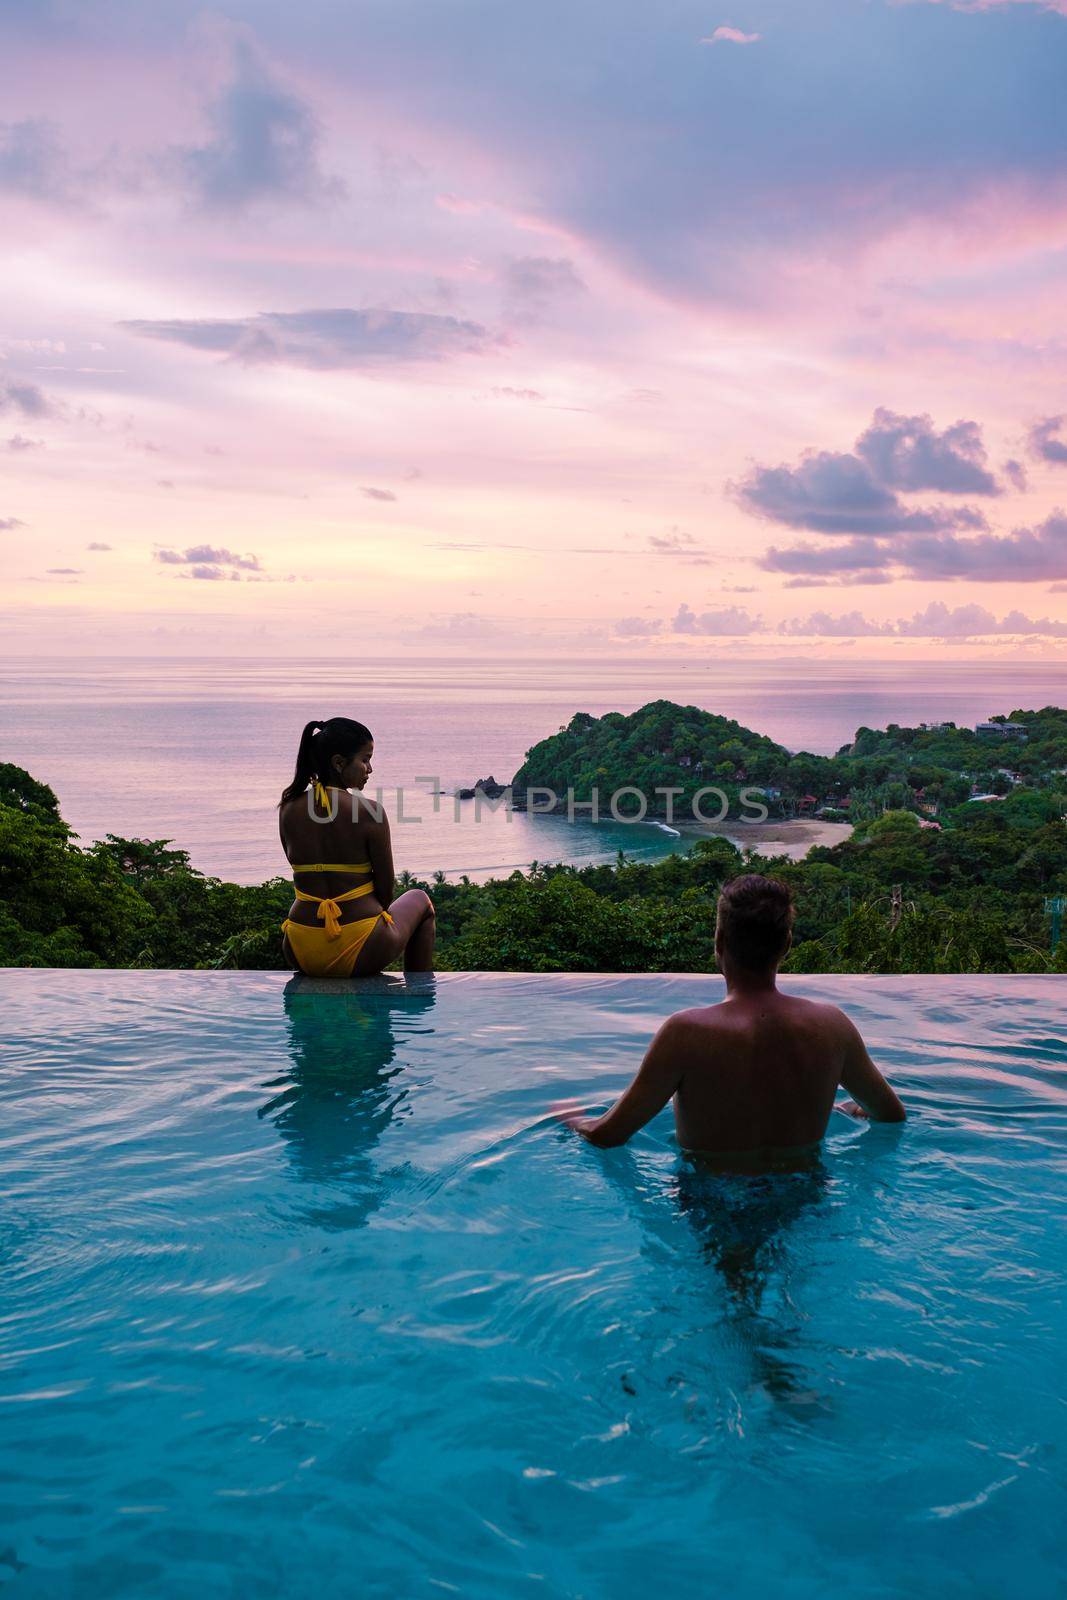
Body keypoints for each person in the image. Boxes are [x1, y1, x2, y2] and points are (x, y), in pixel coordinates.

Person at [561, 873, 904, 1155]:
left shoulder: (686, 1032)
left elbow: (608, 1135)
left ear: (719, 941)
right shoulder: (832, 1027)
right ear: (786, 944)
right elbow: (890, 1114)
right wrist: (842, 1109)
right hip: (802, 1206)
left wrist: (570, 1117)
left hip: (710, 1205)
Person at [278, 717, 435, 977]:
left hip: (299, 946)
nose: (370, 769)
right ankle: (419, 992)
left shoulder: (288, 808)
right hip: (360, 944)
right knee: (420, 899)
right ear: (339, 763)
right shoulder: (370, 811)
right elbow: (385, 891)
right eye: (365, 759)